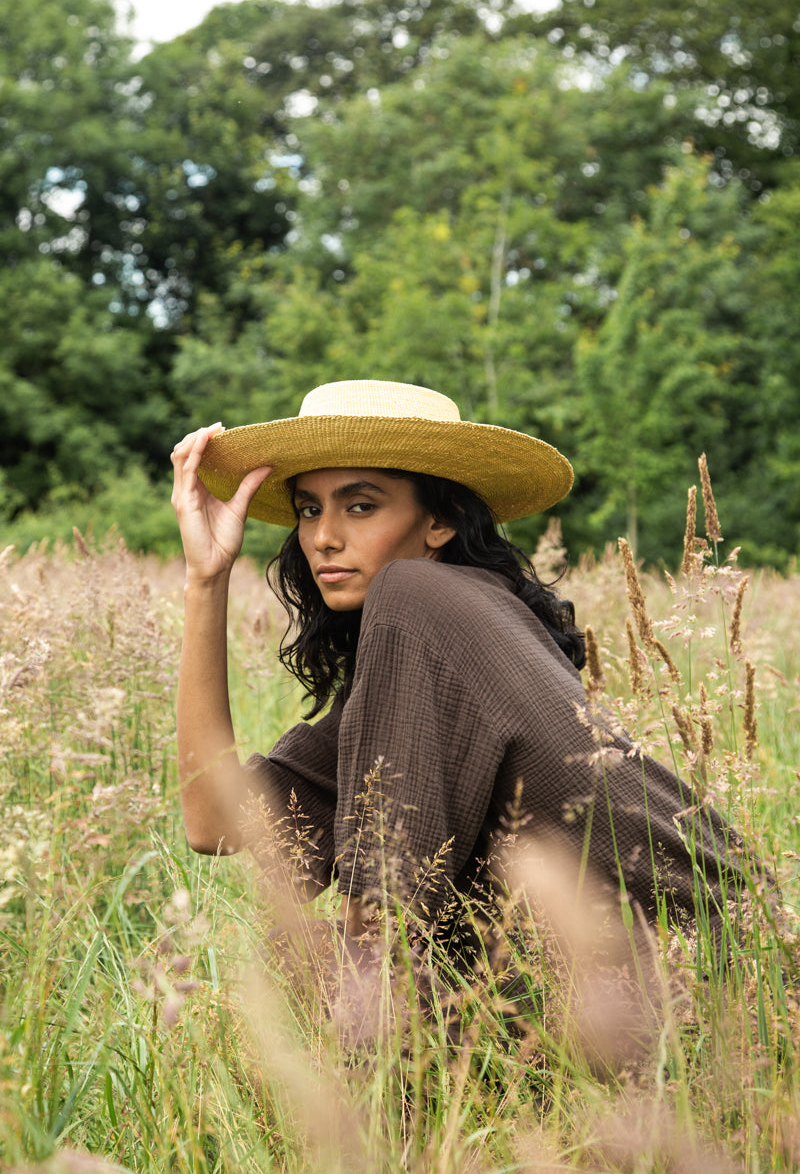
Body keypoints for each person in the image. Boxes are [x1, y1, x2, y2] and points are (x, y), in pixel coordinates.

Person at [171, 379, 743, 957]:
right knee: (302, 956)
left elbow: (383, 912)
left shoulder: (415, 592)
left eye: (361, 506)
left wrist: (364, 1005)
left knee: (333, 966)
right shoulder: (416, 656)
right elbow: (212, 823)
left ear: (439, 521)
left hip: (713, 963)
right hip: (602, 981)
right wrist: (206, 577)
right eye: (309, 510)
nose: (322, 537)